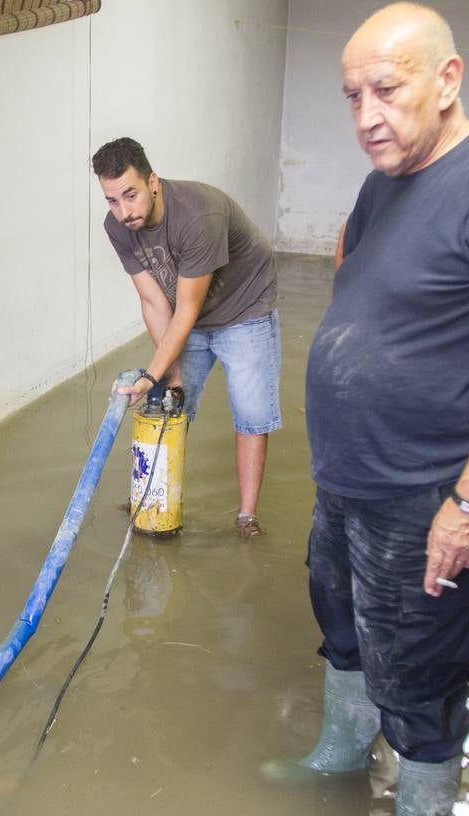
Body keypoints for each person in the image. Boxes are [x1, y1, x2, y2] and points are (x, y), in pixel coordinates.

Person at [260, 3, 469, 816]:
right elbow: (362, 287)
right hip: (352, 476)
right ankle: (340, 754)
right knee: (346, 626)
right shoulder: (382, 185)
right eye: (353, 96)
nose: (366, 116)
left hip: (433, 488)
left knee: (419, 662)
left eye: (386, 91)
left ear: (447, 78)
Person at [93, 138, 281, 538]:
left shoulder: (198, 215)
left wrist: (150, 376)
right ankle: (154, 494)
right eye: (112, 200)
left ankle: (246, 516)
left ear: (153, 182)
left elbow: (187, 310)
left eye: (130, 195)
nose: (124, 212)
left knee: (250, 410)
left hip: (244, 307)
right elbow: (153, 301)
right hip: (187, 311)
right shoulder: (118, 227)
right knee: (170, 404)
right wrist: (171, 376)